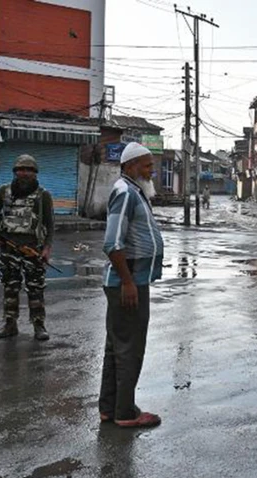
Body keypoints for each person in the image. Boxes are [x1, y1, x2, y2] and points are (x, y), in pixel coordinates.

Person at [100, 142, 165, 428]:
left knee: (117, 346)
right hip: (129, 281)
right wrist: (127, 282)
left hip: (132, 279)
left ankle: (110, 407)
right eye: (147, 165)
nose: (152, 171)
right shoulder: (125, 193)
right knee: (130, 348)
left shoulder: (134, 191)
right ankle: (125, 413)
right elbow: (113, 243)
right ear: (130, 167)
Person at [0, 154, 54, 341]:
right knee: (10, 287)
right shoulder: (3, 191)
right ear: (15, 172)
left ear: (35, 173)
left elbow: (50, 224)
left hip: (33, 250)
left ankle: (39, 325)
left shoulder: (43, 195)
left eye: (28, 170)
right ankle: (10, 324)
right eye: (20, 169)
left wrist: (47, 249)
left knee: (35, 289)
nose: (24, 173)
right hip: (8, 249)